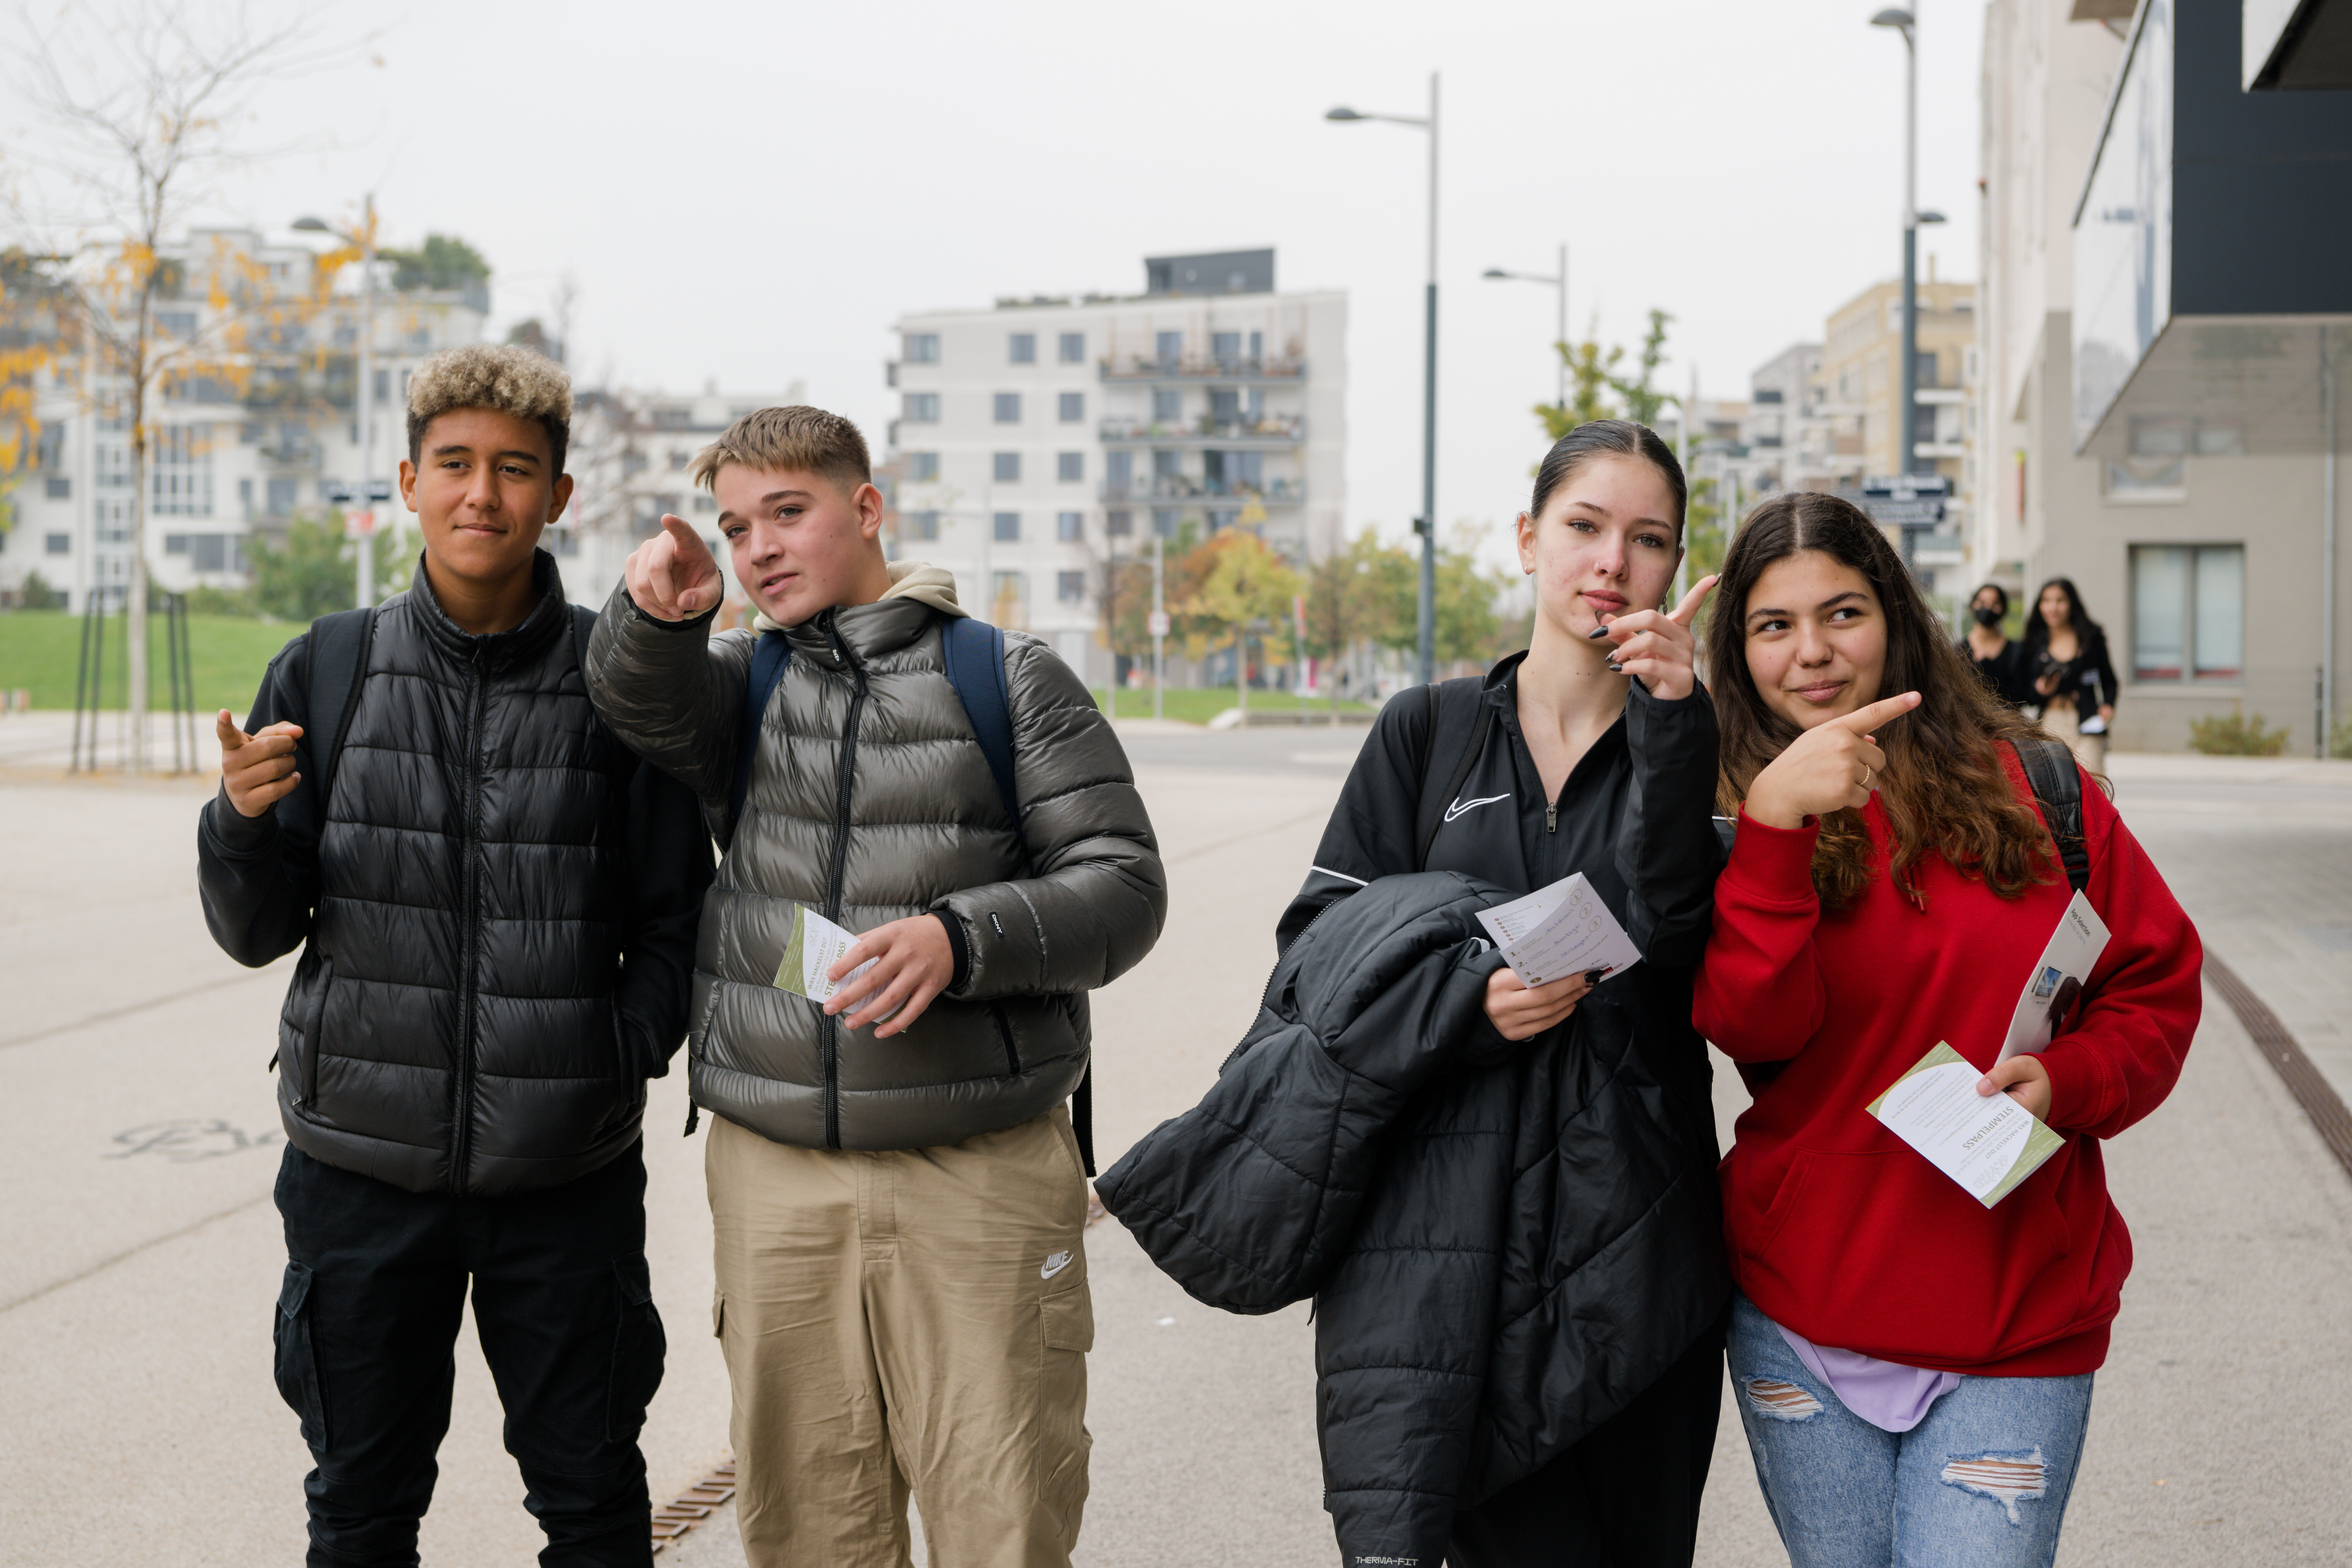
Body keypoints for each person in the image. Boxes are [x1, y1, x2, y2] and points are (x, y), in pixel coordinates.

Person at [580, 406, 1165, 1568]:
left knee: (1001, 1504)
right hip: (775, 1171)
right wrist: (651, 616)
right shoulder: (740, 684)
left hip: (978, 1170)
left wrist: (963, 937)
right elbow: (633, 699)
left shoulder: (1005, 677)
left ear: (865, 506)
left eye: (785, 512)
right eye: (736, 525)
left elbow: (1123, 885)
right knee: (807, 1517)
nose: (757, 548)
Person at [199, 345, 712, 1567]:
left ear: (558, 496)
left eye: (515, 470)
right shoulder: (326, 666)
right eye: (456, 464)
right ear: (408, 481)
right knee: (361, 1508)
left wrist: (612, 1052)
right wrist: (238, 822)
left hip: (564, 1176)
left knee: (592, 1501)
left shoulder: (611, 681)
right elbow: (254, 928)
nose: (482, 493)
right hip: (356, 1169)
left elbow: (677, 912)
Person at [1696, 492, 2201, 1568]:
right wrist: (1777, 827)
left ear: (1893, 614)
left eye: (1841, 612)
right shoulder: (1727, 816)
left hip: (2013, 1316)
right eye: (1772, 626)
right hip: (1802, 1311)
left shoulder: (2035, 787)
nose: (1812, 653)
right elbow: (1750, 1024)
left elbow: (2152, 984)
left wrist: (2067, 1079)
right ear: (1738, 652)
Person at [1270, 419, 1729, 1565]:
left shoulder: (1690, 737)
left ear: (1672, 568)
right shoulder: (1421, 733)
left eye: (1646, 539)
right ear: (1526, 538)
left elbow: (1682, 938)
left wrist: (1676, 731)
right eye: (1582, 526)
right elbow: (1310, 952)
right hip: (1449, 1257)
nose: (1610, 562)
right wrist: (1462, 997)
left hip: (1640, 1247)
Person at [2021, 576, 2118, 769]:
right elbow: (2024, 691)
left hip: (2087, 721)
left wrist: (2108, 705)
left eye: (2060, 601)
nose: (2053, 608)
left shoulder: (2091, 638)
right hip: (2049, 722)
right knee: (2053, 788)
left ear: (2072, 604)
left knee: (2092, 783)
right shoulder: (2033, 642)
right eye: (2046, 601)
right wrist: (2040, 690)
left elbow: (2110, 681)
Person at [1957, 581, 2033, 706]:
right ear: (1972, 606)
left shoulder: (2017, 651)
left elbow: (2021, 696)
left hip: (2008, 723)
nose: (1988, 607)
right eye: (1982, 603)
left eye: (1995, 603)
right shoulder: (1958, 651)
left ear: (2004, 609)